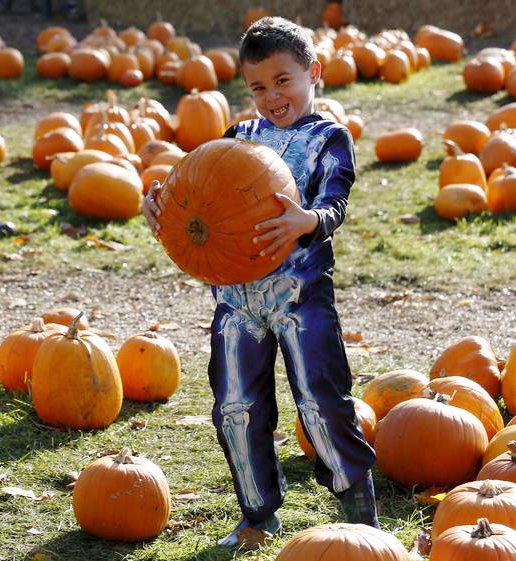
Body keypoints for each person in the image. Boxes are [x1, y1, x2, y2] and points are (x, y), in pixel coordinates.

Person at [142, 16, 379, 549]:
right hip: (235, 299)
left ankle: (360, 512)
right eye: (257, 87)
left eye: (282, 81)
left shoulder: (328, 139)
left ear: (312, 73)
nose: (271, 96)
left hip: (301, 296)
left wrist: (309, 221)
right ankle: (257, 513)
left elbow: (336, 203)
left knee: (321, 401)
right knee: (235, 406)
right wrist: (164, 208)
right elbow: (203, 195)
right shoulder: (239, 138)